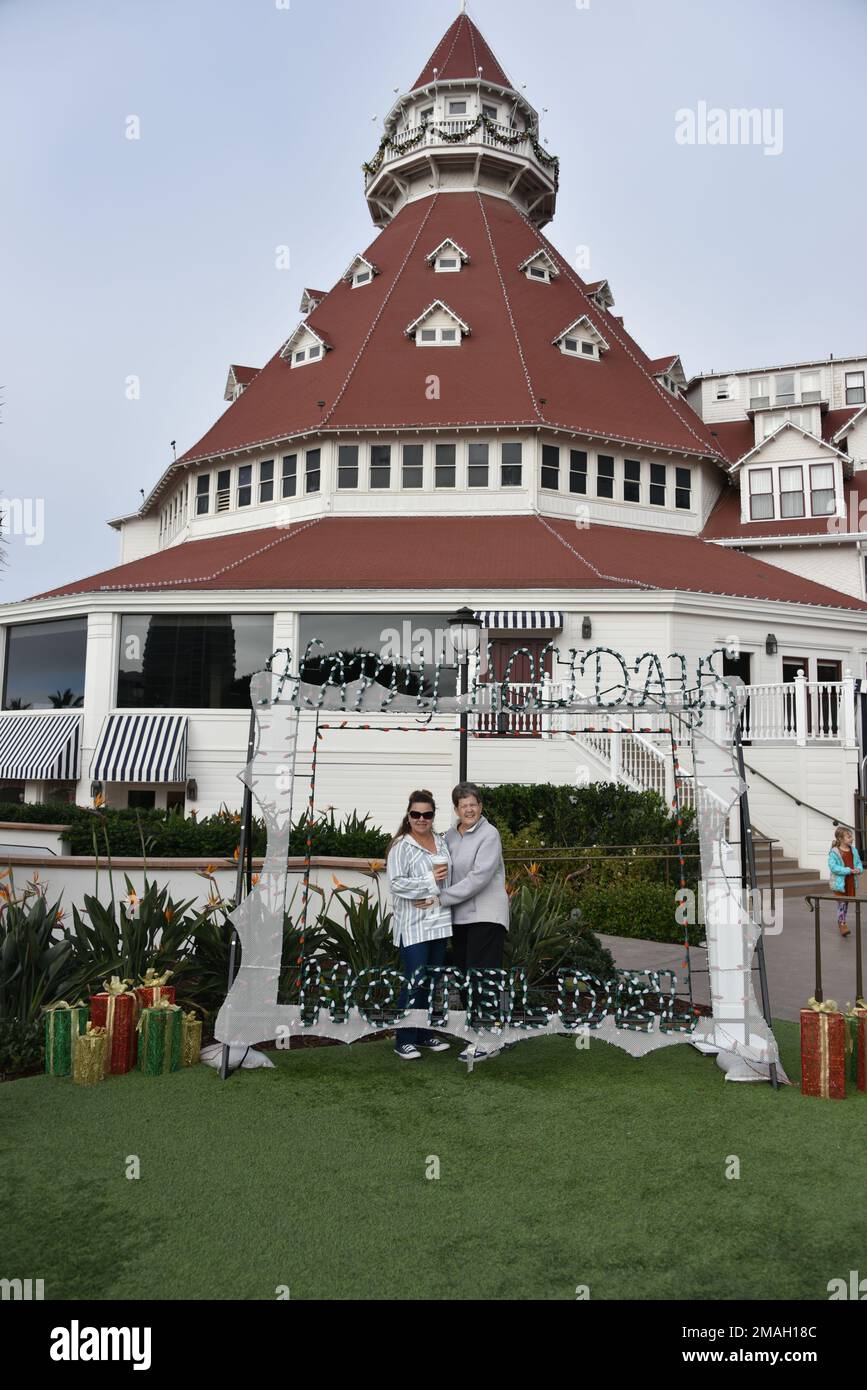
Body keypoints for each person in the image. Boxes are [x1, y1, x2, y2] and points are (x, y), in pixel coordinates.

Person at [438, 781, 511, 1064]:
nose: (469, 810)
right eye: (463, 805)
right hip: (460, 917)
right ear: (456, 809)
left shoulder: (489, 834)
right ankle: (483, 1033)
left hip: (486, 916)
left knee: (483, 975)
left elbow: (479, 878)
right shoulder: (449, 836)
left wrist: (442, 898)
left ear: (481, 807)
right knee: (466, 976)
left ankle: (489, 1039)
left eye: (473, 805)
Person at [386, 790, 453, 1060]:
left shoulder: (442, 841)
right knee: (415, 980)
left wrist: (438, 897)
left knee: (432, 979)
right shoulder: (401, 846)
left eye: (427, 814)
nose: (421, 819)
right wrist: (427, 883)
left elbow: (448, 879)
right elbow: (396, 884)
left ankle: (423, 1033)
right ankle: (403, 1038)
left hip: (439, 921)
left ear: (433, 815)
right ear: (409, 815)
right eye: (416, 814)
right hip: (413, 924)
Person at [828, 826, 862, 938]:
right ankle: (842, 923)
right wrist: (848, 870)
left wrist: (858, 869)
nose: (852, 838)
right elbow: (833, 867)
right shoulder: (835, 852)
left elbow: (858, 863)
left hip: (850, 881)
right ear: (841, 839)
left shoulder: (854, 850)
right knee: (842, 903)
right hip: (839, 883)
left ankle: (842, 920)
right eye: (849, 836)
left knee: (846, 903)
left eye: (851, 836)